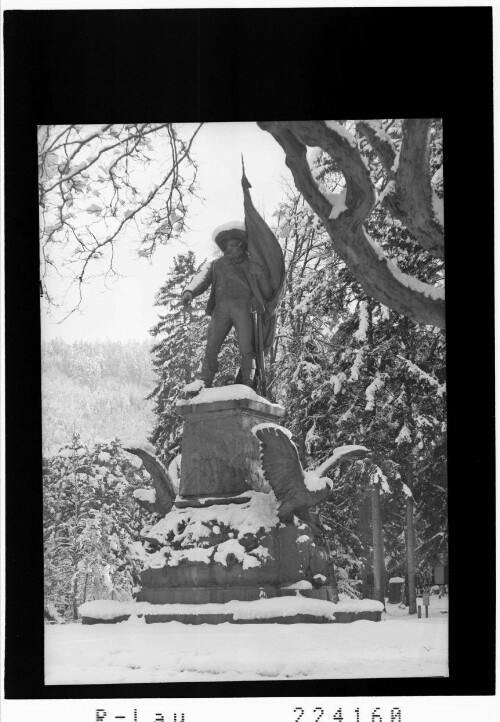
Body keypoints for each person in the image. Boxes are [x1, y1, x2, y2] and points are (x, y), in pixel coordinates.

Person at [181, 224, 273, 388]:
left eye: (231, 246)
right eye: (226, 246)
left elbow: (267, 291)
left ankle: (248, 383)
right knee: (211, 346)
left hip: (244, 308)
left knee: (247, 347)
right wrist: (189, 291)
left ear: (241, 246)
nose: (227, 249)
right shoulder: (216, 264)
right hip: (221, 309)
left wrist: (262, 274)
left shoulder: (251, 265)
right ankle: (205, 380)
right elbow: (202, 279)